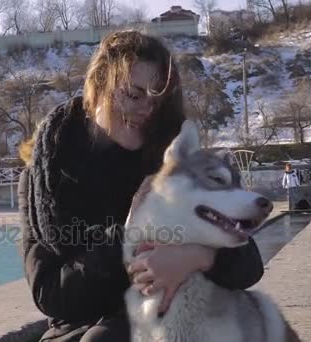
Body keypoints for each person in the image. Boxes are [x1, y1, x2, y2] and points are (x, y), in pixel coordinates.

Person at [18, 30, 264, 342]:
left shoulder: (173, 163)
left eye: (157, 101)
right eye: (134, 95)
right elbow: (52, 296)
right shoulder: (45, 174)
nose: (146, 110)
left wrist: (198, 256)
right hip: (81, 328)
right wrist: (129, 234)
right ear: (99, 85)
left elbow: (249, 263)